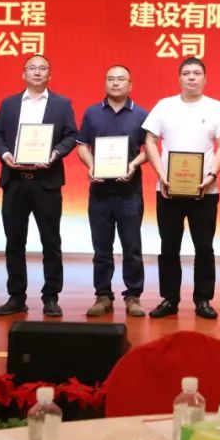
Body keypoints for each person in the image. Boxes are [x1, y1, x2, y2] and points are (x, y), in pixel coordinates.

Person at [0, 55, 78, 317]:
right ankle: (16, 297)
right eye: (32, 68)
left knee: (51, 242)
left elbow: (71, 135)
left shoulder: (62, 104)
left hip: (46, 182)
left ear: (50, 74)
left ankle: (51, 297)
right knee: (14, 242)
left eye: (42, 68)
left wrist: (55, 154)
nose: (37, 72)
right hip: (15, 181)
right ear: (23, 74)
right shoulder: (9, 104)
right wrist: (5, 154)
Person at [142, 57, 220, 319]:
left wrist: (212, 175)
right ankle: (169, 299)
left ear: (205, 78)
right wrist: (161, 175)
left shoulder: (216, 107)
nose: (191, 77)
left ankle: (203, 300)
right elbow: (150, 141)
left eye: (196, 73)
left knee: (204, 247)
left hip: (205, 190)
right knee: (169, 247)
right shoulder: (164, 106)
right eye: (186, 73)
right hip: (168, 189)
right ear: (179, 78)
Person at [76, 65, 149, 318]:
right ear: (105, 83)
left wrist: (133, 165)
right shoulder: (92, 112)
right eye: (110, 79)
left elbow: (148, 150)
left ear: (130, 85)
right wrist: (91, 165)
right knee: (101, 249)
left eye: (121, 79)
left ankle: (133, 296)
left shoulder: (141, 114)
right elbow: (82, 146)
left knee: (132, 248)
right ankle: (103, 296)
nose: (115, 83)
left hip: (130, 192)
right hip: (99, 192)